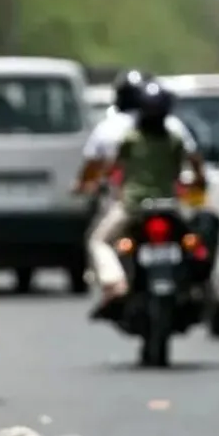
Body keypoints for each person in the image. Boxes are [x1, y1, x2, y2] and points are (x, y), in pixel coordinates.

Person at [84, 81, 206, 304]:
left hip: (134, 205)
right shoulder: (175, 138)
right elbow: (194, 164)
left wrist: (99, 182)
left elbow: (112, 168)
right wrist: (199, 182)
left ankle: (115, 281)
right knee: (196, 240)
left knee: (98, 241)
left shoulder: (130, 138)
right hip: (170, 204)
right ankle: (194, 284)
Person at [74, 69, 198, 193]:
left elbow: (94, 166)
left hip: (131, 201)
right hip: (169, 197)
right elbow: (193, 158)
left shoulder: (108, 127)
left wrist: (87, 184)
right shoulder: (173, 125)